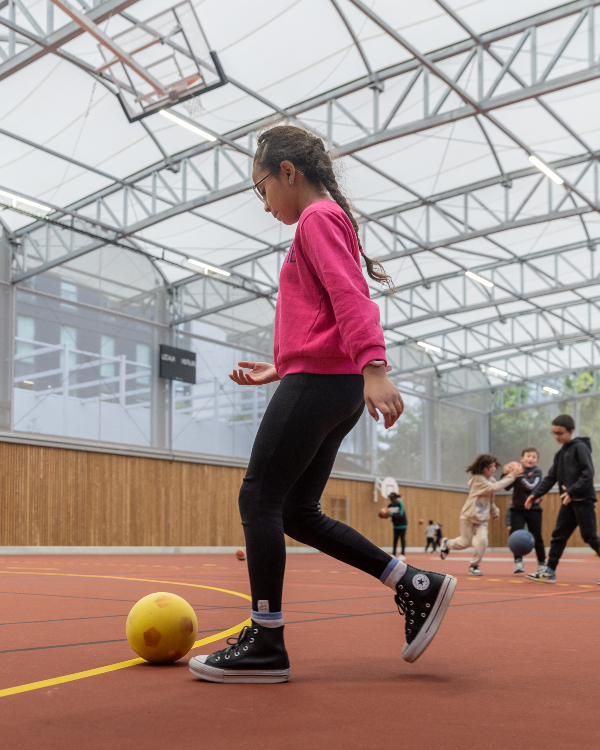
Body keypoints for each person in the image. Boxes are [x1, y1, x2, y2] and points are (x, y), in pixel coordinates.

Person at [189, 125, 456, 684]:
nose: (263, 204)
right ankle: (412, 582)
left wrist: (375, 366)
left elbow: (349, 294)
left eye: (261, 188)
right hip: (324, 381)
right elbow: (320, 315)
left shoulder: (317, 218)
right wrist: (281, 366)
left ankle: (266, 639)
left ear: (288, 172)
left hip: (325, 382)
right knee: (294, 512)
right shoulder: (321, 221)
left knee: (259, 496)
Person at [525, 415, 600, 583]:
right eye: (554, 433)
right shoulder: (560, 454)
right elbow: (550, 478)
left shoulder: (580, 448)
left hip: (583, 500)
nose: (556, 437)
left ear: (571, 431)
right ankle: (550, 571)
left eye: (560, 433)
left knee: (590, 537)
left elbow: (587, 473)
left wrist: (573, 491)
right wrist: (534, 494)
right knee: (558, 535)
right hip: (568, 502)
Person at [440, 454, 517, 576]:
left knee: (483, 541)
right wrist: (512, 476)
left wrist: (494, 510)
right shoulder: (477, 479)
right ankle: (447, 544)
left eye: (493, 467)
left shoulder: (491, 480)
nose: (492, 470)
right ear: (481, 468)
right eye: (489, 467)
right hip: (468, 517)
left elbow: (490, 499)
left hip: (481, 519)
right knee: (465, 543)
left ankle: (474, 566)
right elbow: (494, 488)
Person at [504, 447, 544, 574]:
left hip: (534, 510)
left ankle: (542, 563)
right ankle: (518, 562)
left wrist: (519, 476)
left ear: (537, 460)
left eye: (533, 457)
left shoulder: (537, 472)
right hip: (517, 510)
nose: (530, 459)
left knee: (537, 536)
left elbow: (531, 487)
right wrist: (506, 474)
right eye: (528, 456)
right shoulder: (516, 472)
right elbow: (506, 487)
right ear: (522, 459)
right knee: (515, 535)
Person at [386, 492, 408, 558]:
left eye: (392, 499)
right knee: (395, 539)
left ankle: (402, 554)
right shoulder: (390, 505)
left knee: (402, 539)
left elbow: (401, 514)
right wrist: (382, 514)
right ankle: (393, 554)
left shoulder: (400, 503)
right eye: (390, 499)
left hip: (402, 524)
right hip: (395, 525)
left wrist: (391, 514)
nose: (391, 500)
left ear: (395, 498)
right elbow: (386, 513)